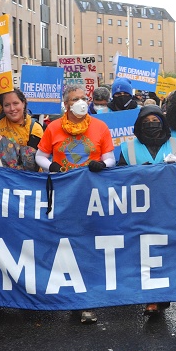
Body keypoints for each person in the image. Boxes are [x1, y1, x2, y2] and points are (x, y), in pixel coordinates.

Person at [35, 85, 115, 324]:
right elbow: (41, 155)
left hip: (91, 195)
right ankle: (70, 296)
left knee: (89, 246)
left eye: (83, 98)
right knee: (67, 246)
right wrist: (52, 167)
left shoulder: (100, 127)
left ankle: (88, 301)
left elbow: (110, 157)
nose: (81, 102)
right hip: (64, 195)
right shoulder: (53, 128)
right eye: (75, 99)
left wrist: (104, 165)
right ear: (66, 104)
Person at [117, 105, 176, 316]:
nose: (151, 125)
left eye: (155, 120)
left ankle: (167, 294)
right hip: (141, 210)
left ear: (163, 123)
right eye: (145, 122)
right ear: (138, 126)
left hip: (171, 207)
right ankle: (152, 299)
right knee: (146, 255)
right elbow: (118, 178)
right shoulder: (127, 148)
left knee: (170, 254)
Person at [0, 89, 43, 171]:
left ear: (23, 103)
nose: (12, 108)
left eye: (15, 103)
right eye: (7, 105)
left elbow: (31, 164)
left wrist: (4, 144)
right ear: (2, 108)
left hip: (22, 180)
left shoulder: (34, 128)